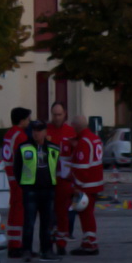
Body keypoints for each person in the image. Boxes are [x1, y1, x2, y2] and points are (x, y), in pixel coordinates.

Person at [14, 121, 61, 261]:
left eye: (39, 130)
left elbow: (58, 167)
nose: (36, 133)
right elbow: (17, 169)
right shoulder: (23, 147)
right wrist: (24, 185)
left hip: (48, 190)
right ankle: (27, 250)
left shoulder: (54, 148)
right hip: (31, 190)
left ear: (45, 132)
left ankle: (46, 250)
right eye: (34, 130)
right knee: (29, 222)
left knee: (47, 223)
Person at [67, 116, 104, 255]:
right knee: (89, 214)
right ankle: (88, 241)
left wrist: (76, 185)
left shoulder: (84, 142)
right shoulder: (95, 138)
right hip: (95, 183)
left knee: (86, 215)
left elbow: (81, 167)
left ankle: (90, 243)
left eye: (73, 126)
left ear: (77, 126)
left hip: (86, 185)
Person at [46, 102, 77, 254]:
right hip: (47, 180)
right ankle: (48, 242)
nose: (56, 117)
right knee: (48, 214)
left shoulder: (71, 132)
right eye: (54, 114)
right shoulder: (46, 130)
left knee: (63, 214)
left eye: (59, 114)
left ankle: (61, 243)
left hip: (64, 181)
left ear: (65, 114)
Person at [1, 107, 32, 256]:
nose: (29, 121)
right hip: (20, 178)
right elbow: (27, 160)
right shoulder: (21, 136)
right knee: (20, 210)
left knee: (14, 209)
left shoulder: (9, 134)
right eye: (28, 119)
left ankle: (12, 241)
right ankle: (17, 244)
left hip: (11, 176)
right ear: (22, 120)